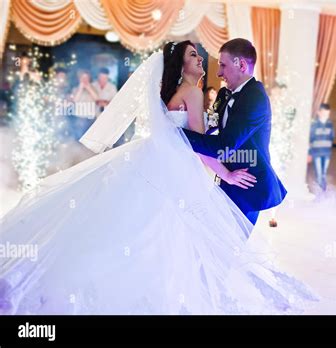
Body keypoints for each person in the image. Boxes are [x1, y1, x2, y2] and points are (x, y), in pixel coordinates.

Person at [0, 41, 317, 315]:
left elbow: (200, 141)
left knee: (140, 225)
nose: (204, 63)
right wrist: (225, 174)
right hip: (175, 166)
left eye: (209, 60)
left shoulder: (180, 93)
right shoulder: (192, 93)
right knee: (171, 229)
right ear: (181, 65)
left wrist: (178, 140)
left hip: (154, 160)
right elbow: (203, 148)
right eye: (194, 56)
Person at [182, 38, 287, 226]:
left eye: (223, 65)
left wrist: (178, 134)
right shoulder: (224, 94)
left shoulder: (255, 98)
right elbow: (209, 126)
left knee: (230, 249)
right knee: (209, 238)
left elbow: (224, 146)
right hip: (227, 180)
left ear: (242, 64)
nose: (218, 72)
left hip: (247, 186)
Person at [308, 103, 334, 191]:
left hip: (326, 152)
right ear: (319, 112)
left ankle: (323, 188)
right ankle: (320, 192)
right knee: (319, 173)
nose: (325, 116)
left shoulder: (330, 124)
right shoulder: (314, 124)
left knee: (324, 172)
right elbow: (311, 138)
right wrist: (309, 152)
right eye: (323, 113)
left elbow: (332, 136)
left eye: (327, 114)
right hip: (316, 152)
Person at [70, 69, 98, 140]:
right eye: (83, 78)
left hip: (91, 117)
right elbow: (74, 100)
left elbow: (97, 99)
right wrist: (80, 89)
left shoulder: (93, 87)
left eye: (87, 78)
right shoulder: (75, 89)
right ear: (80, 79)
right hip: (80, 117)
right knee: (79, 137)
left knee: (91, 138)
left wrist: (88, 88)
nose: (85, 80)